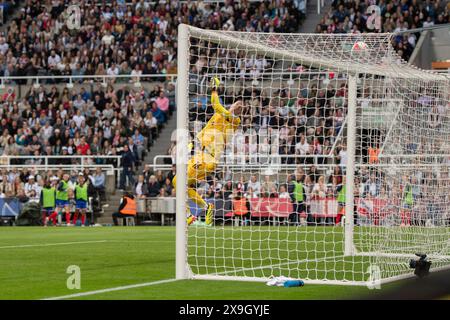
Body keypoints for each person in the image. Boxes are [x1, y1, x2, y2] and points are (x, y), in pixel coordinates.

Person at [172, 77, 242, 226]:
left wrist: (214, 88)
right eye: (237, 103)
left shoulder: (234, 120)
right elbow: (215, 109)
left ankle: (189, 215)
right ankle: (204, 207)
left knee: (179, 182)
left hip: (207, 158)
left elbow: (216, 104)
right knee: (179, 183)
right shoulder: (219, 115)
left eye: (242, 107)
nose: (239, 106)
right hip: (199, 153)